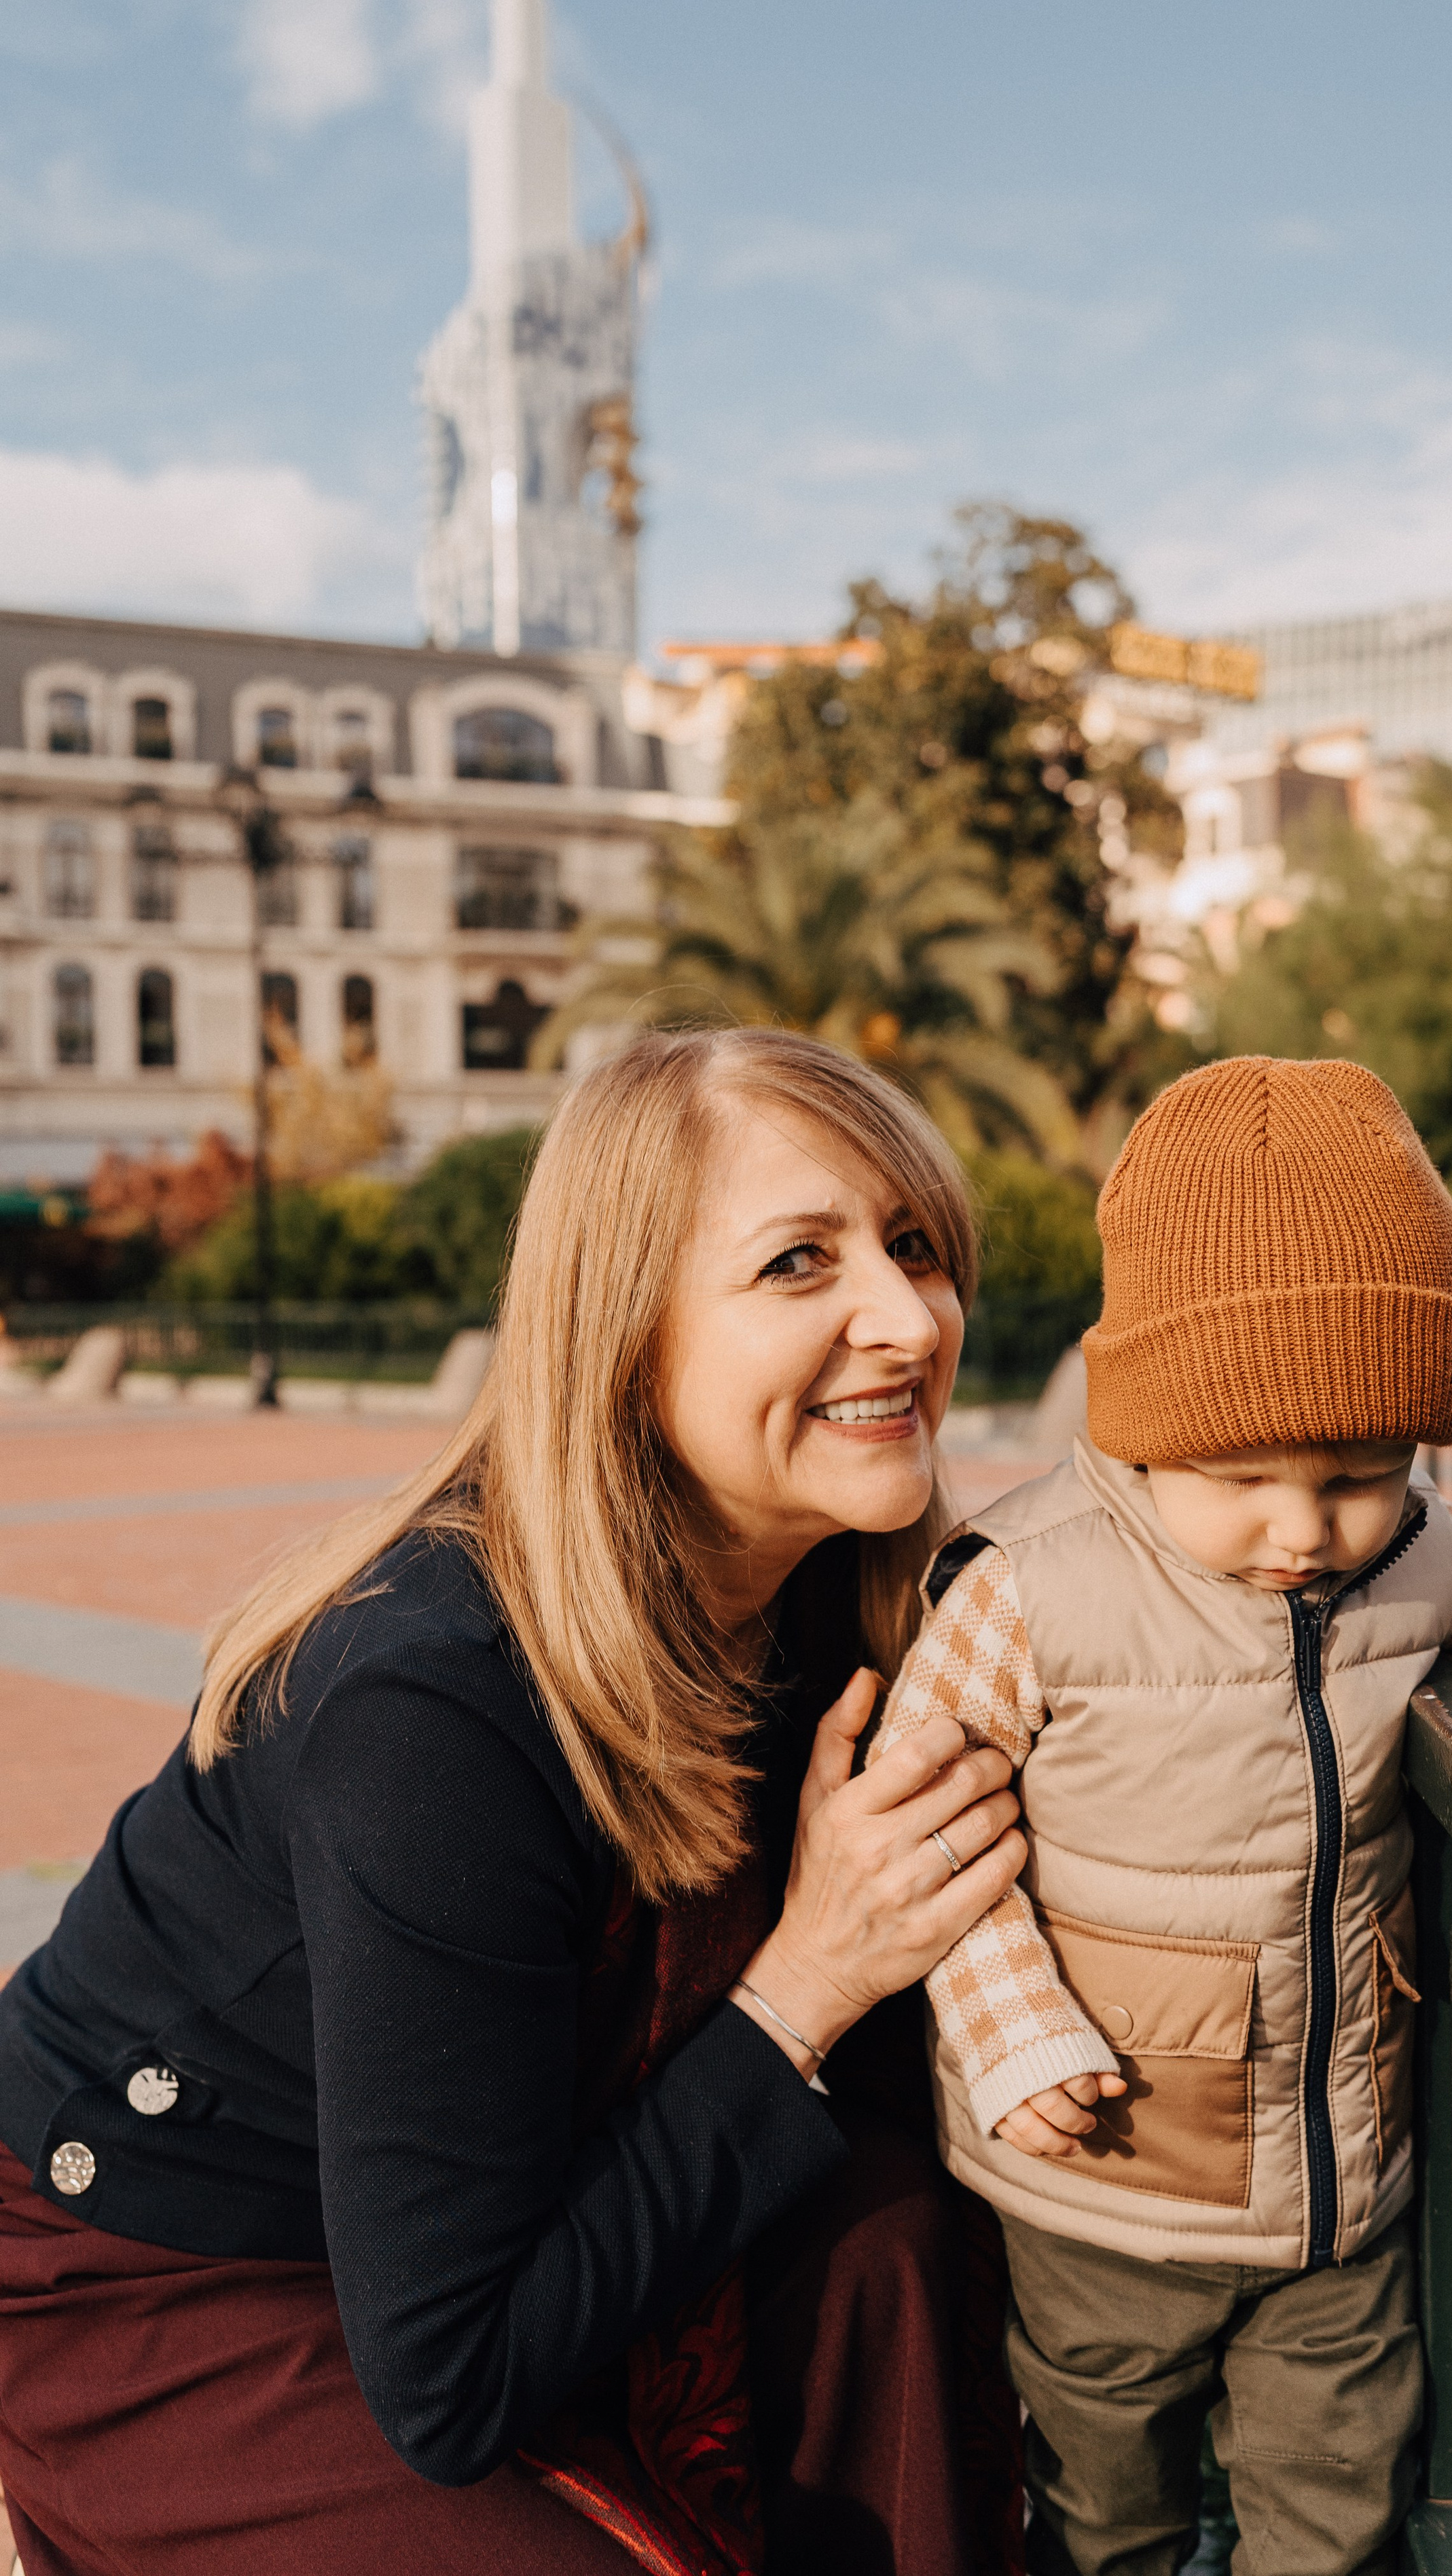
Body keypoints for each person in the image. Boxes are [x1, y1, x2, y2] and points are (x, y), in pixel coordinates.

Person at [0, 1029, 1032, 2576]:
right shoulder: (433, 1709)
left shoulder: (839, 1605)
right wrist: (806, 1980)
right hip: (166, 2264)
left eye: (913, 1249)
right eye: (797, 1264)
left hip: (506, 2188)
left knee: (884, 2230)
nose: (904, 1319)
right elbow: (451, 2374)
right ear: (623, 1331)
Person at [874, 1056, 1452, 2576]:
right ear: (1144, 1429)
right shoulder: (1028, 1585)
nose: (1304, 1528)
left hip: (1337, 2196)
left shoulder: (1421, 1549)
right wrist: (1009, 2026)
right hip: (1098, 2178)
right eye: (1243, 1476)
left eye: (1360, 1473)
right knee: (1105, 2502)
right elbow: (927, 1824)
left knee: (1338, 2494)